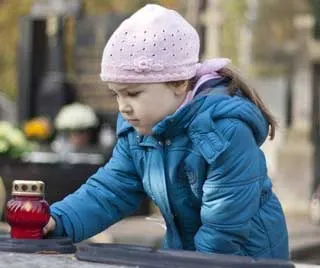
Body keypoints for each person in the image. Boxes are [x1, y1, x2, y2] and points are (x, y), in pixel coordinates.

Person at [43, 4, 289, 259]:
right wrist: (57, 221)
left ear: (180, 83)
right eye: (116, 94)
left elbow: (224, 226)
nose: (123, 107)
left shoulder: (224, 132)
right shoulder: (138, 133)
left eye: (133, 93)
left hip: (246, 259)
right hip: (188, 257)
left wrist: (190, 264)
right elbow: (110, 191)